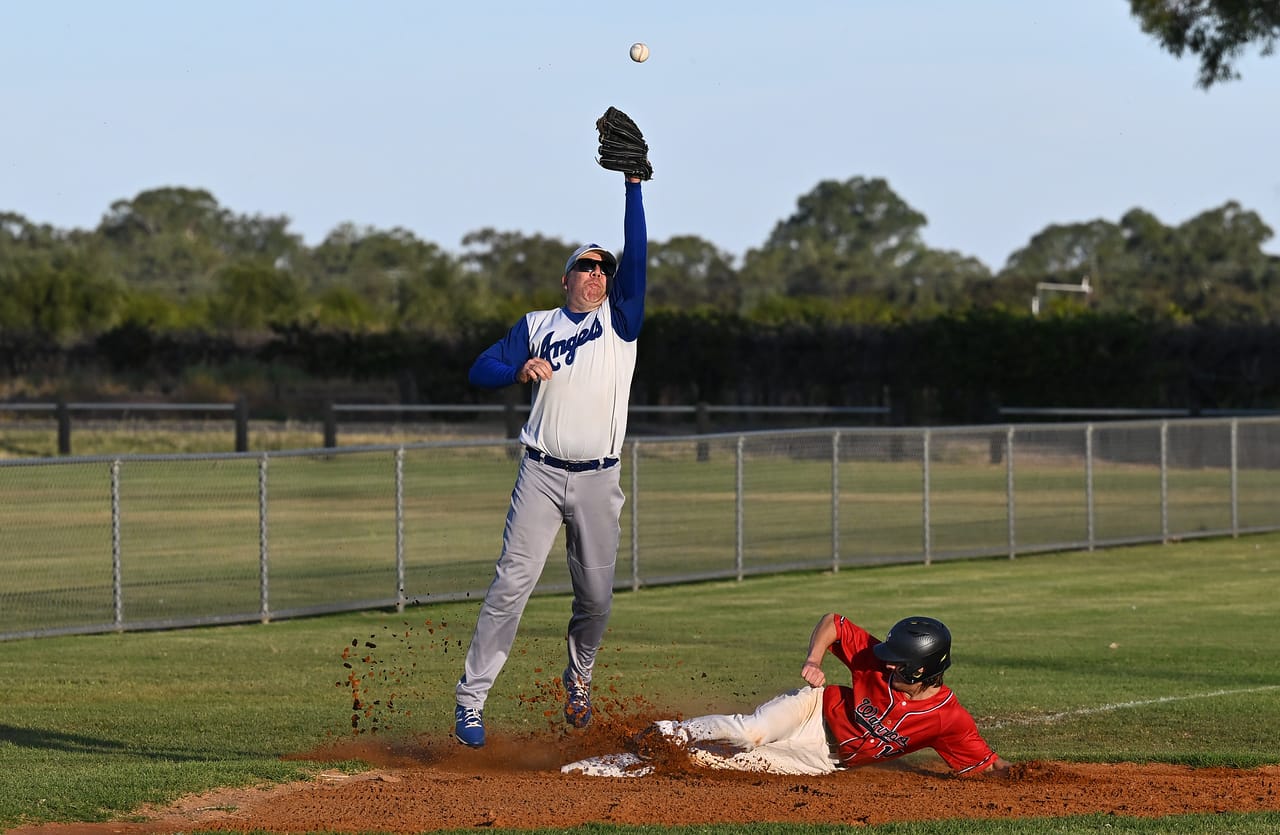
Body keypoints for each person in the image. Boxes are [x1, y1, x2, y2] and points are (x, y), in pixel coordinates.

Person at [453, 173, 647, 748]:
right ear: (566, 278)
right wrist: (517, 369)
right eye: (587, 267)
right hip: (539, 473)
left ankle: (579, 679)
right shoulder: (537, 326)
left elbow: (636, 255)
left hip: (598, 480)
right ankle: (470, 701)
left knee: (596, 599)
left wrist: (634, 188)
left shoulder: (621, 322)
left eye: (603, 269)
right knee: (510, 586)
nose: (597, 274)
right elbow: (479, 369)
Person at [564, 614, 1012, 777]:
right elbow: (834, 622)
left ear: (923, 671)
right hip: (812, 711)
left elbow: (985, 763)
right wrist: (814, 659)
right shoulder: (877, 660)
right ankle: (665, 733)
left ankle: (593, 770)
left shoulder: (948, 718)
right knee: (750, 732)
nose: (886, 663)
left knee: (717, 761)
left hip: (822, 762)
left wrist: (1030, 776)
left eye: (898, 663)